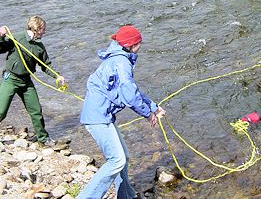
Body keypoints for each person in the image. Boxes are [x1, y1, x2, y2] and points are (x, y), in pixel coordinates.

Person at [78, 25, 166, 199]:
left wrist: (154, 107)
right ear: (132, 45)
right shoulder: (122, 62)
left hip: (103, 115)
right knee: (116, 160)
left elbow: (132, 90)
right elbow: (130, 97)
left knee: (123, 157)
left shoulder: (119, 57)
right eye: (139, 42)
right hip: (98, 117)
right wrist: (148, 115)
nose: (141, 45)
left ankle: (126, 195)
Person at [0, 16, 66, 147]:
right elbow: (1, 48)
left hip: (26, 82)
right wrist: (1, 36)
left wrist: (57, 76)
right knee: (1, 111)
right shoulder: (17, 37)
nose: (45, 32)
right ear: (37, 28)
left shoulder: (39, 46)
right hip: (11, 79)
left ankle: (43, 138)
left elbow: (46, 65)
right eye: (43, 29)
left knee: (36, 111)